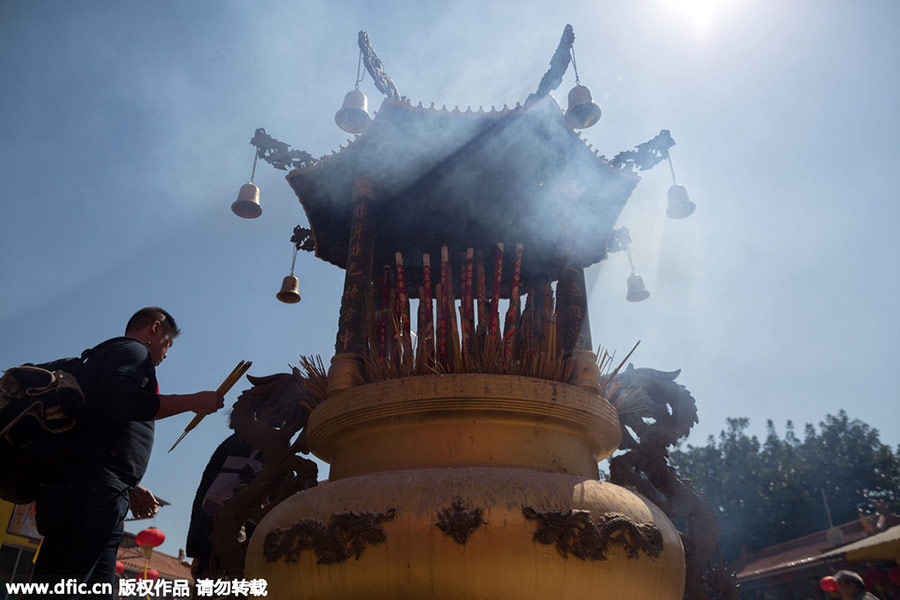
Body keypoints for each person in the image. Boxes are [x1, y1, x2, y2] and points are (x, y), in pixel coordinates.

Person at [30, 307, 224, 599]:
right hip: (89, 495)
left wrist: (128, 486)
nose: (166, 354)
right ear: (155, 329)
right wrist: (193, 401)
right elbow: (123, 400)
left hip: (102, 493)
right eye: (168, 343)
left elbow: (101, 431)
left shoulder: (104, 360)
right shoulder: (132, 351)